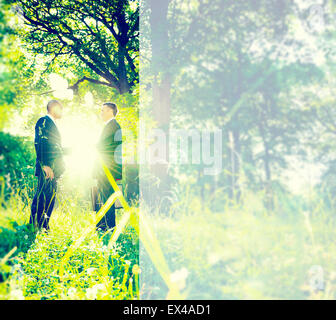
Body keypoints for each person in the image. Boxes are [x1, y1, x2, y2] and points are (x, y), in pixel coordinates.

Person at [30, 100, 66, 231]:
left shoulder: (53, 124)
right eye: (61, 109)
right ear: (54, 108)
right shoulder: (44, 121)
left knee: (49, 199)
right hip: (47, 168)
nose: (62, 112)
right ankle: (34, 226)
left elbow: (57, 148)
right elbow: (40, 142)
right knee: (41, 198)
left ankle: (44, 227)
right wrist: (45, 165)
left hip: (54, 169)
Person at [94, 102, 122, 233]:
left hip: (108, 170)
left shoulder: (113, 126)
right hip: (105, 169)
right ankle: (102, 225)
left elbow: (104, 148)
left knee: (107, 198)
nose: (101, 113)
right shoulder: (110, 126)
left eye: (103, 110)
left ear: (110, 112)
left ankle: (108, 227)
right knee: (102, 198)